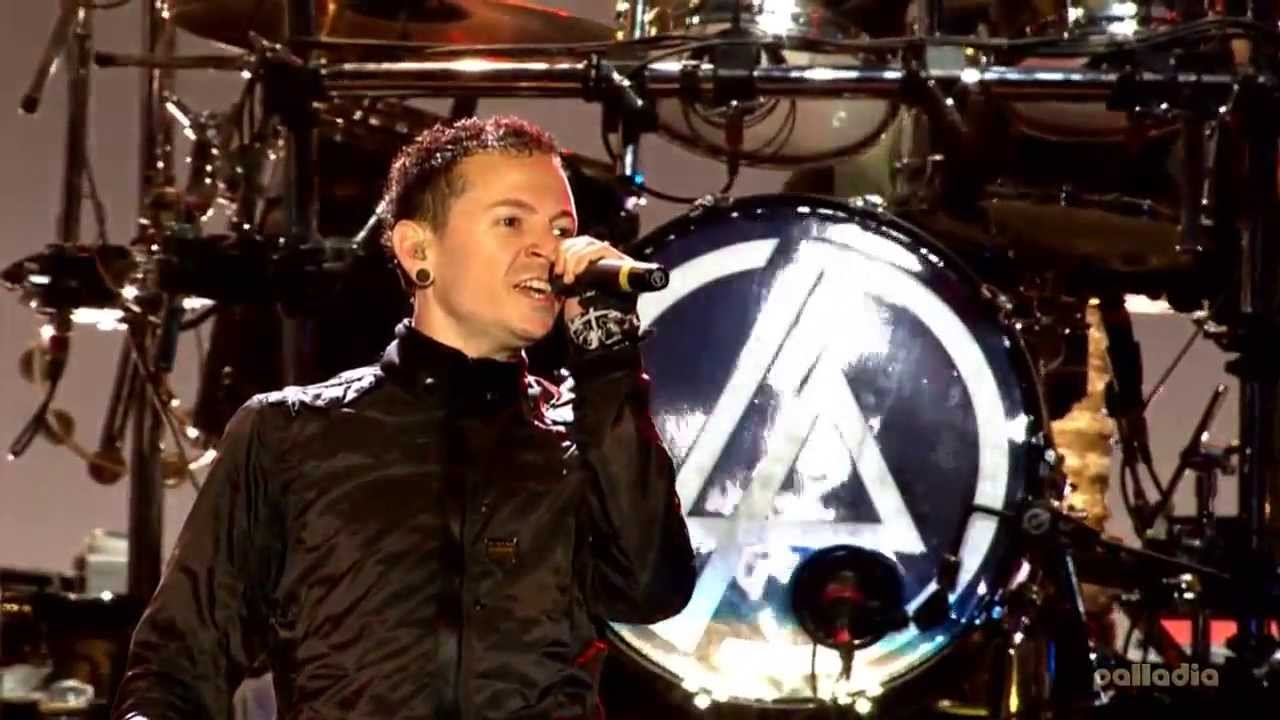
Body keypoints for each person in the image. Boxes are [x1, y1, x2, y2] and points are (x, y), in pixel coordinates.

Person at [111, 115, 696, 720]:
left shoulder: (582, 436)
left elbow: (651, 588)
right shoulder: (290, 435)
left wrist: (607, 354)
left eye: (562, 230)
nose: (546, 250)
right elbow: (177, 665)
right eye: (511, 221)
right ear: (418, 250)